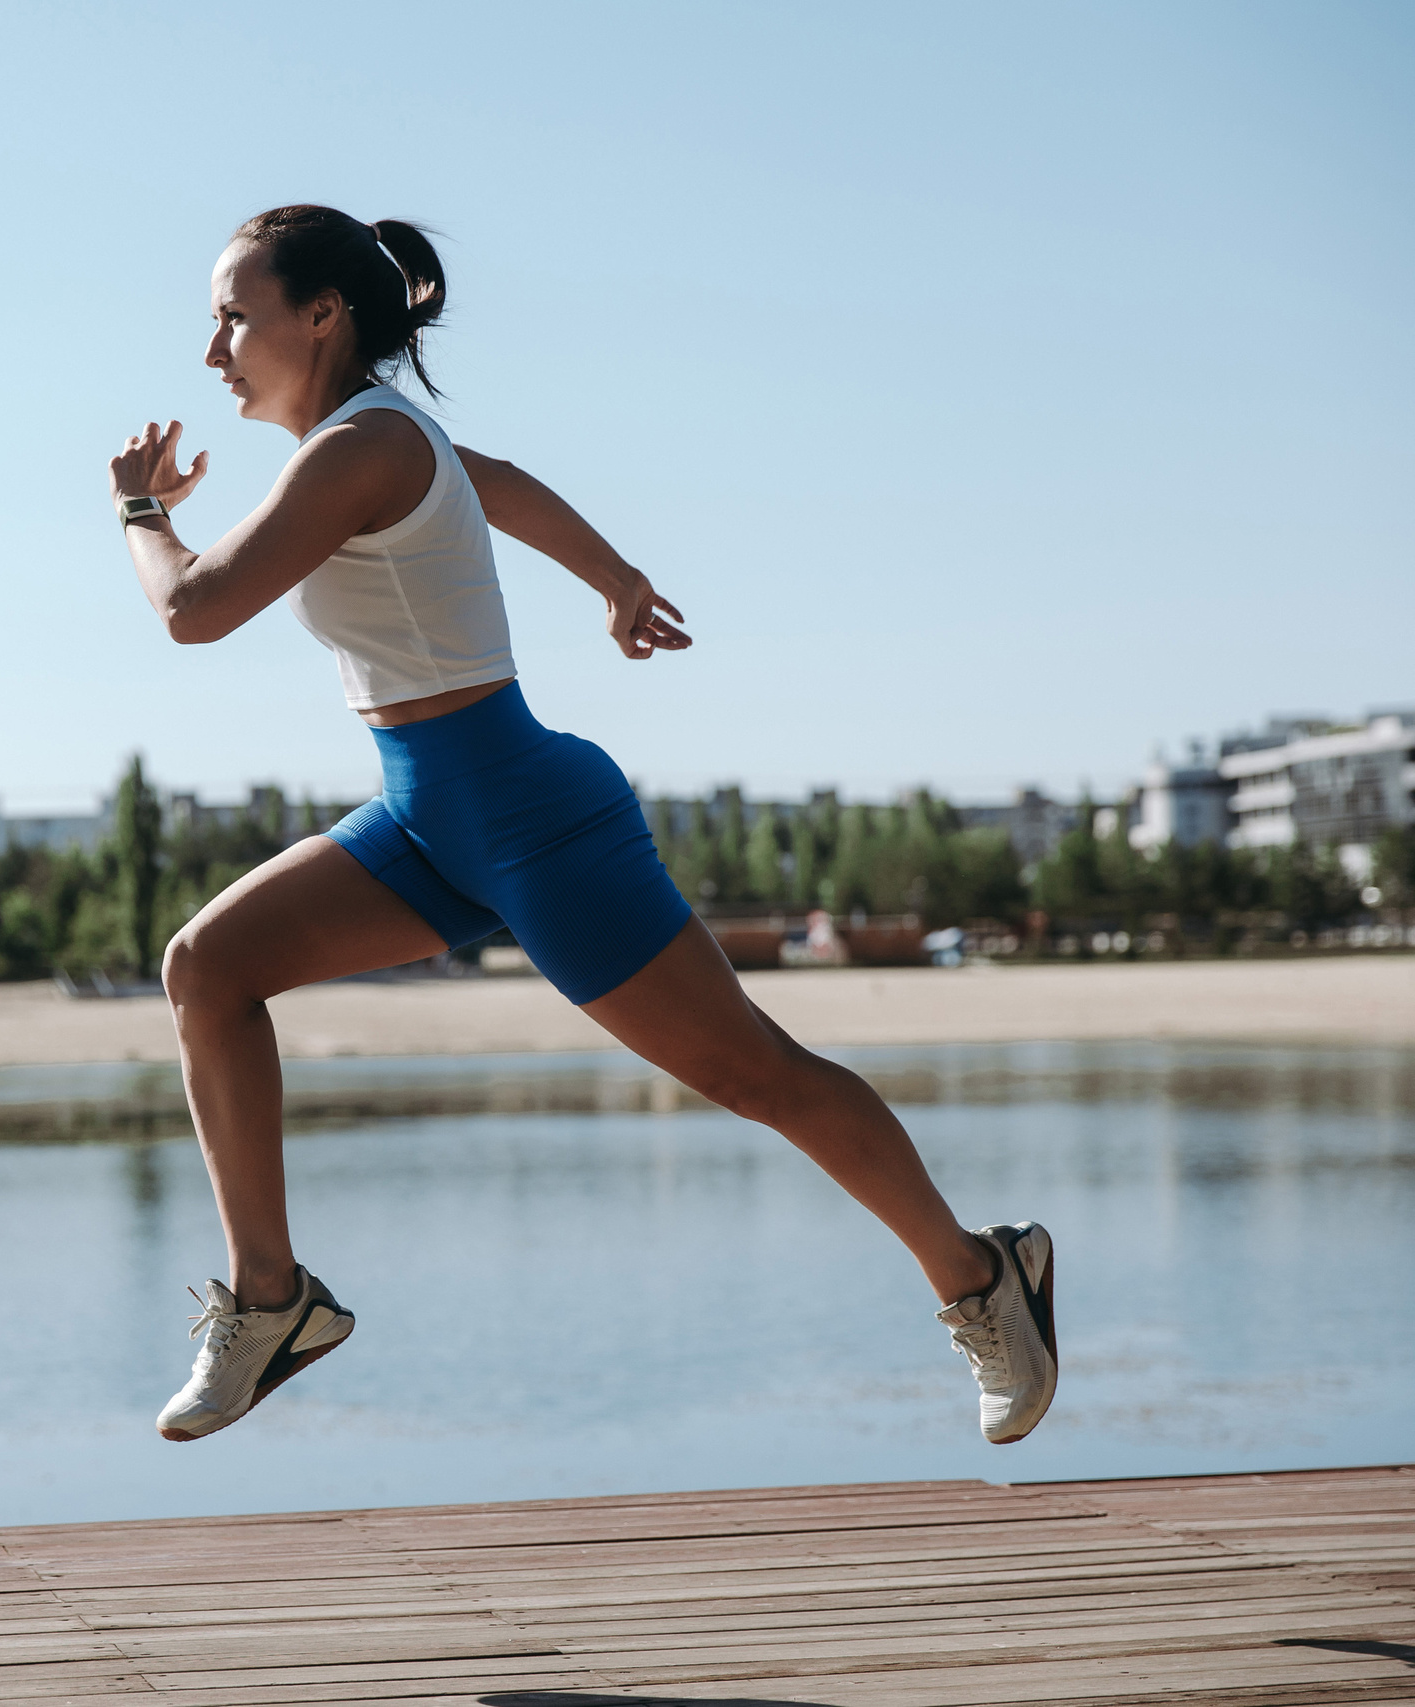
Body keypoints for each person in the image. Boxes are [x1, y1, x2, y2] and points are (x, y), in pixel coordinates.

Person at [108, 204, 1056, 1450]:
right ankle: (271, 1302)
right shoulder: (378, 439)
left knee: (755, 1075)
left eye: (235, 316)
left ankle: (983, 1278)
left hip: (535, 825)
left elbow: (192, 610)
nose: (213, 347)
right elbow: (493, 484)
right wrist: (613, 578)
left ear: (322, 316)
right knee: (207, 967)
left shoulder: (360, 447)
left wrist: (140, 513)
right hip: (425, 821)